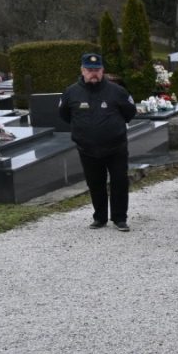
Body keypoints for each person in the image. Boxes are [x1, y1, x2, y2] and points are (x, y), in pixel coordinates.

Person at [58, 53, 137, 231]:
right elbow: (64, 115)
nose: (93, 73)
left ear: (102, 70)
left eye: (97, 69)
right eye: (89, 70)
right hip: (87, 148)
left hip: (115, 147)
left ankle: (119, 218)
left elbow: (129, 112)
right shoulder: (71, 92)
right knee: (95, 183)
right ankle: (100, 218)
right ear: (82, 70)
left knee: (119, 182)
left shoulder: (117, 91)